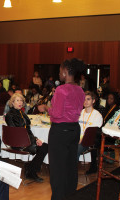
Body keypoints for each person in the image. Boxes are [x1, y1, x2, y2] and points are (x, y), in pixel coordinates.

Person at [38, 58, 85, 200]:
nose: (59, 74)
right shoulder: (80, 90)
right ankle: (70, 195)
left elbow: (57, 113)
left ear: (65, 72)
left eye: (59, 72)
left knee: (57, 169)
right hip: (74, 130)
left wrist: (46, 108)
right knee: (71, 166)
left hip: (60, 131)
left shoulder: (61, 90)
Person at [5, 93, 48, 182]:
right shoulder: (10, 115)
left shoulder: (22, 113)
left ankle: (30, 169)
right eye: (17, 100)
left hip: (26, 140)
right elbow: (16, 133)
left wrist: (36, 139)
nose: (20, 102)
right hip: (18, 142)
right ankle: (30, 170)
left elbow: (28, 131)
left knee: (45, 146)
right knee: (44, 147)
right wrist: (33, 140)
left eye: (21, 100)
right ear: (12, 102)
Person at [77, 91, 103, 159]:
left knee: (75, 150)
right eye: (84, 99)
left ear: (93, 101)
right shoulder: (80, 112)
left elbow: (93, 134)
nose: (85, 101)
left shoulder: (97, 115)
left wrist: (81, 140)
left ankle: (71, 169)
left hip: (87, 141)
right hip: (76, 138)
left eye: (88, 99)